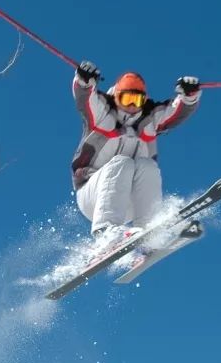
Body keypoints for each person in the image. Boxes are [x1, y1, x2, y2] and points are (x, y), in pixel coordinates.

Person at [70, 60, 201, 244]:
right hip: (93, 196)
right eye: (126, 99)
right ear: (116, 96)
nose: (132, 105)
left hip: (129, 201)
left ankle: (147, 233)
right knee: (122, 162)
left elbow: (174, 113)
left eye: (137, 100)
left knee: (148, 166)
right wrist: (84, 81)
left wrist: (189, 96)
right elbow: (85, 100)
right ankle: (106, 232)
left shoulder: (150, 119)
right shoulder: (102, 113)